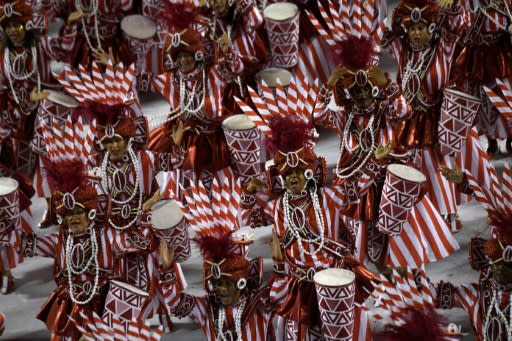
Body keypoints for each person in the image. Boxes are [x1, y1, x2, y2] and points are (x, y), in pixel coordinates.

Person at [382, 0, 470, 229]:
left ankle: (447, 213)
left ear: (431, 29)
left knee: (439, 165)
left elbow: (457, 25)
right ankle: (424, 212)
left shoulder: (443, 47)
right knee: (416, 165)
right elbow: (382, 34)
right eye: (412, 29)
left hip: (437, 118)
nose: (416, 33)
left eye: (421, 28)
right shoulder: (403, 51)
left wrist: (452, 3)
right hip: (410, 119)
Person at [163, 172, 276, 341]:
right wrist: (167, 270)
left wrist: (279, 260)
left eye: (226, 283)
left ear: (241, 282)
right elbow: (176, 304)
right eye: (217, 284)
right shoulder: (206, 309)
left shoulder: (260, 305)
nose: (220, 289)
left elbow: (281, 292)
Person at [149, 1, 244, 195]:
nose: (183, 60)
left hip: (213, 139)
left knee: (221, 186)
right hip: (185, 138)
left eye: (188, 55)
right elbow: (141, 81)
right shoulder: (170, 80)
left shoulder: (213, 74)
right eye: (179, 57)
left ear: (198, 54)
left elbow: (236, 70)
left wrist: (228, 51)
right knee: (185, 184)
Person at [451, 0, 512, 155]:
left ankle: (509, 136)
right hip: (477, 55)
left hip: (500, 54)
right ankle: (490, 138)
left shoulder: (504, 3)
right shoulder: (466, 3)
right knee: (480, 97)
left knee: (505, 94)